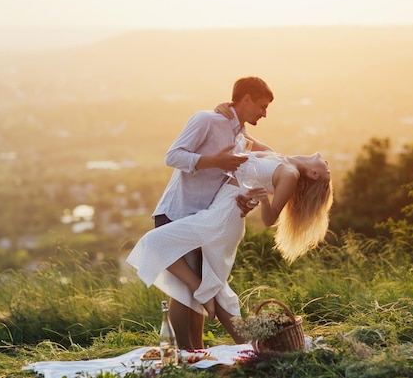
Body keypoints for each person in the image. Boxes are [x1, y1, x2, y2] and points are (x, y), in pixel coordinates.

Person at [127, 150, 333, 346]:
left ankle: (197, 289)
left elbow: (270, 219)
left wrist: (263, 200)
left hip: (224, 219)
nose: (327, 163)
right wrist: (226, 113)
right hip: (219, 213)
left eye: (328, 170)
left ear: (314, 174)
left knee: (155, 242)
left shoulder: (291, 174)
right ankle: (248, 346)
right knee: (217, 287)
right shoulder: (281, 158)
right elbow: (241, 135)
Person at [135, 76, 275, 350]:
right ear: (245, 99)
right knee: (184, 291)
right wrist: (215, 161)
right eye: (261, 106)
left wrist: (247, 200)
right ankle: (184, 354)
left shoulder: (238, 134)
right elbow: (172, 156)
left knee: (197, 290)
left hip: (204, 219)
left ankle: (197, 352)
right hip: (178, 212)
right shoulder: (206, 120)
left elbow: (246, 170)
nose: (264, 113)